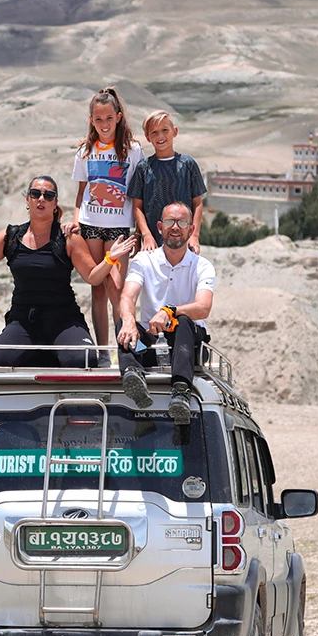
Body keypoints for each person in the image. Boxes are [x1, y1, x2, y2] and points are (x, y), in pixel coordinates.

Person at [0, 176, 134, 368]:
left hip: (64, 319)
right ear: (27, 199)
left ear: (55, 203)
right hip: (24, 320)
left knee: (83, 360)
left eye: (48, 196)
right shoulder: (11, 236)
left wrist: (110, 258)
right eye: (35, 193)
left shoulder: (68, 238)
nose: (41, 199)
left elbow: (92, 277)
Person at [116, 201, 215, 424]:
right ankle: (133, 375)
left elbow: (204, 307)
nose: (175, 227)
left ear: (191, 229)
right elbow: (127, 297)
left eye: (182, 222)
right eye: (170, 221)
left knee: (183, 321)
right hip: (149, 346)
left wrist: (169, 311)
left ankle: (180, 390)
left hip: (188, 349)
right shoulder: (143, 260)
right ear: (160, 227)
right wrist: (129, 321)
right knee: (123, 323)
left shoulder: (202, 266)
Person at [69, 87, 145, 346]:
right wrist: (75, 220)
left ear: (119, 117)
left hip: (119, 229)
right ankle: (102, 351)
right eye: (98, 119)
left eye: (109, 118)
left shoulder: (133, 151)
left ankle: (125, 347)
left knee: (117, 288)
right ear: (91, 120)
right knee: (97, 289)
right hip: (90, 226)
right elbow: (81, 192)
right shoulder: (84, 152)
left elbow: (138, 195)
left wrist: (140, 231)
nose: (104, 124)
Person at [129, 110, 206, 251]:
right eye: (154, 132)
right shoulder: (143, 168)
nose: (160, 136)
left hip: (183, 241)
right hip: (152, 243)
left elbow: (197, 203)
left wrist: (194, 236)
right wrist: (145, 236)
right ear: (148, 137)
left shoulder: (188, 164)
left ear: (174, 132)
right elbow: (137, 207)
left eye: (165, 130)